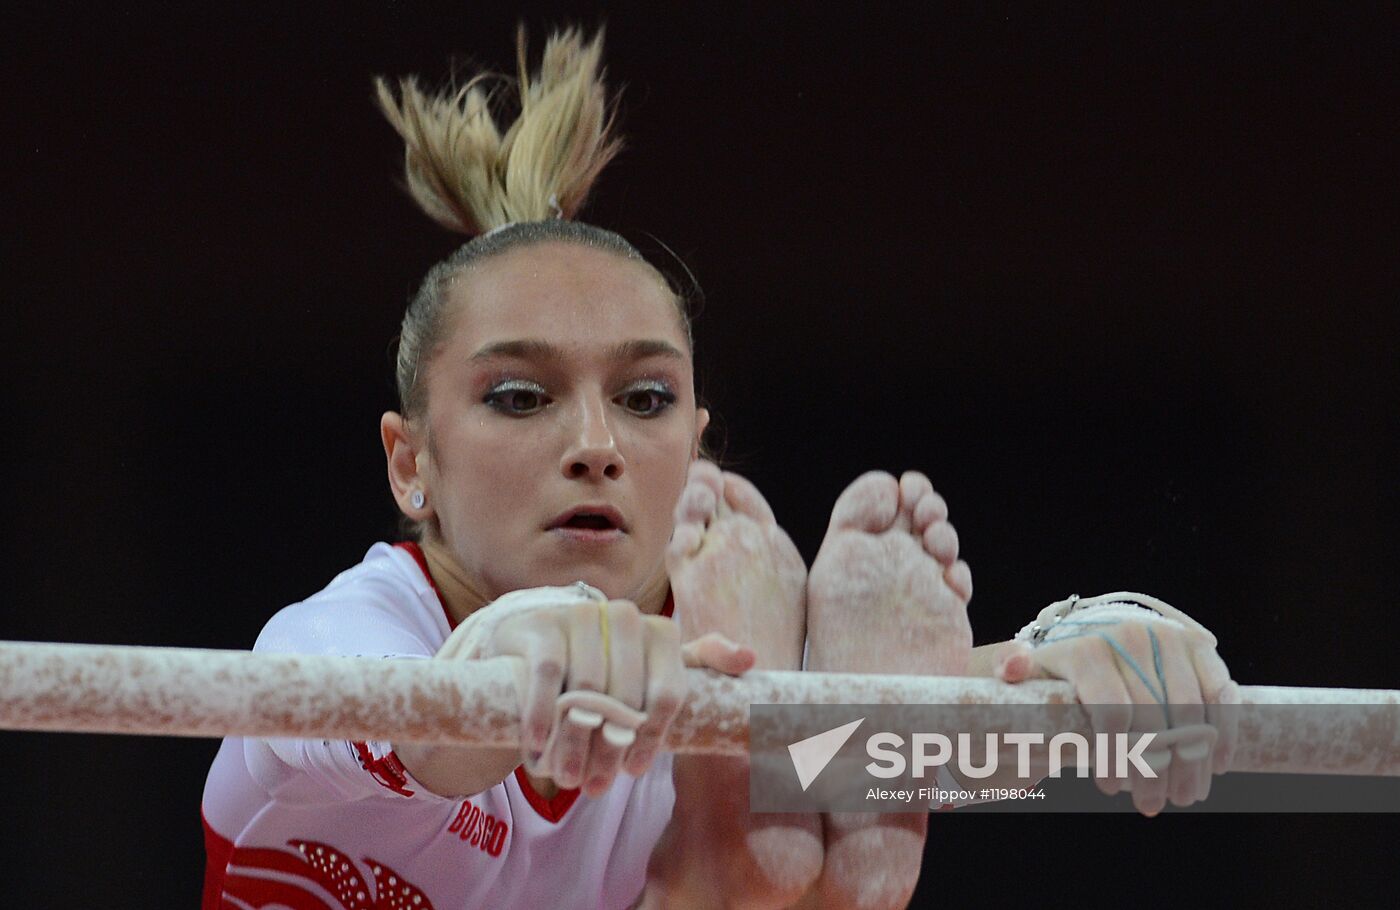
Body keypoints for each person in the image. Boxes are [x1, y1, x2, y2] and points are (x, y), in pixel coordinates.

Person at [201, 27, 1239, 910]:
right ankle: (739, 862)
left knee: (835, 735)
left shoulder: (719, 701)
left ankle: (768, 854)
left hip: (730, 743)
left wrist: (1095, 653)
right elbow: (428, 715)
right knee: (789, 750)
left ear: (694, 446)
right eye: (519, 395)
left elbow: (960, 708)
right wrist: (522, 640)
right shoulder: (345, 637)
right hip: (642, 732)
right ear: (408, 461)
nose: (596, 444)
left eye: (645, 399)